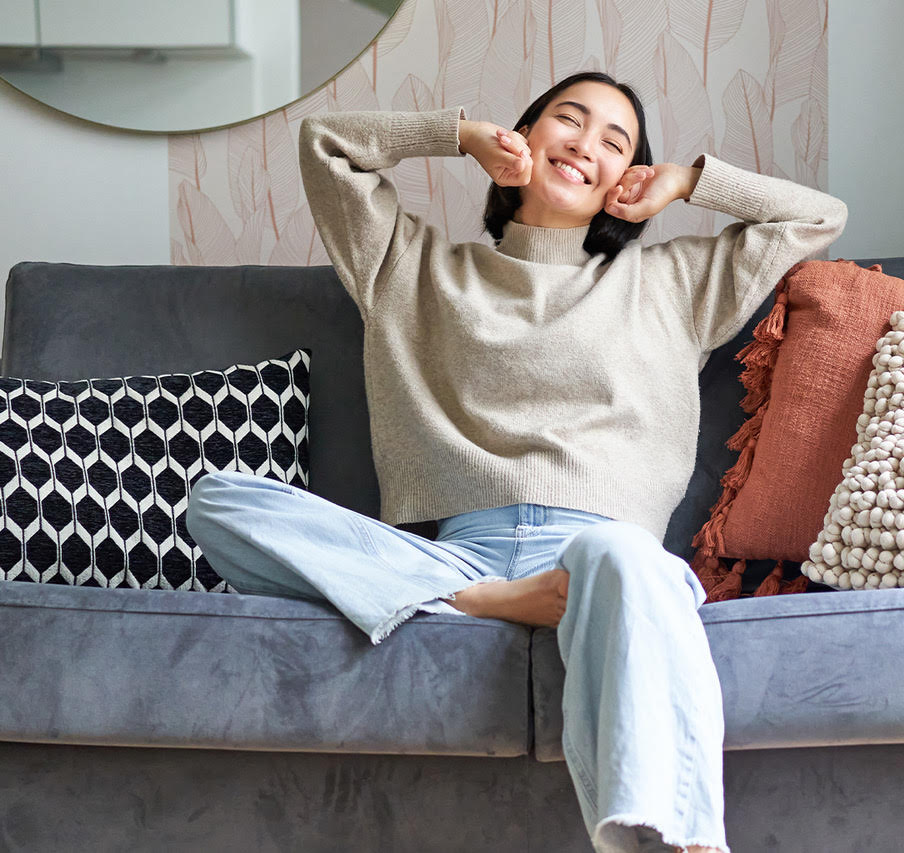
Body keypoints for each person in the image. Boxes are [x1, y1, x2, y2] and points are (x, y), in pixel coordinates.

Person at [185, 70, 847, 853]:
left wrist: (691, 181)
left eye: (616, 142)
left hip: (604, 563)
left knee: (622, 554)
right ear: (523, 136)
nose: (587, 145)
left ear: (626, 178)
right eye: (569, 120)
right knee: (218, 499)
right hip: (459, 556)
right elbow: (326, 145)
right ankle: (488, 598)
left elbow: (819, 215)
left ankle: (672, 842)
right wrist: (458, 134)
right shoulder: (411, 269)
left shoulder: (674, 284)